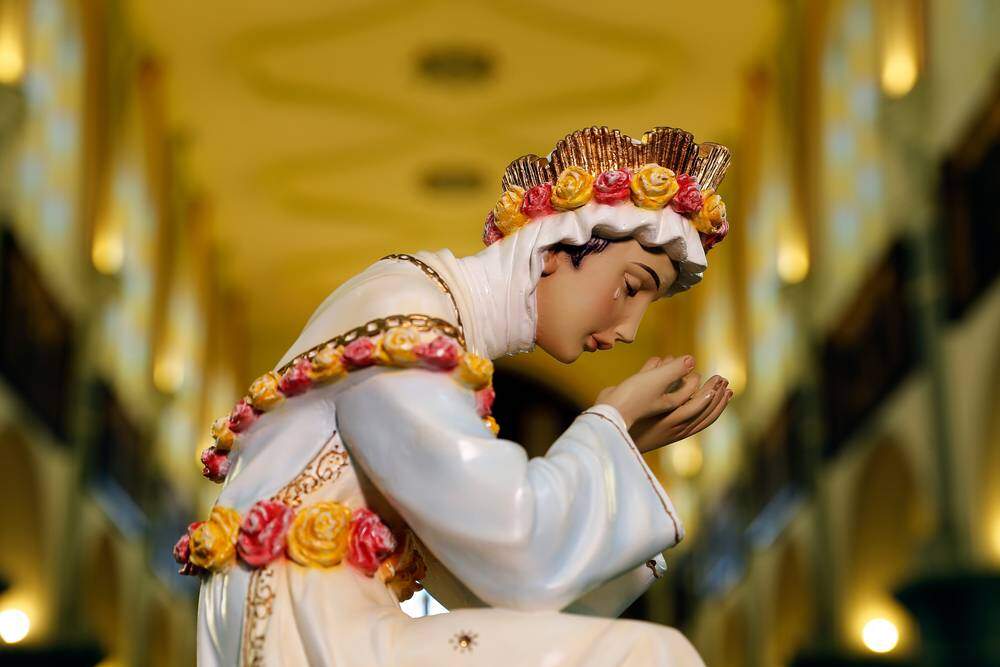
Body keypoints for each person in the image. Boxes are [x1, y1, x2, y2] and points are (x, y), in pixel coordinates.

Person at [177, 126, 733, 666]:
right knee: (650, 655)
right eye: (631, 286)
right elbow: (517, 553)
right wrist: (608, 426)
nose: (630, 330)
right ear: (558, 247)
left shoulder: (434, 323)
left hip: (320, 620)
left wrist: (621, 447)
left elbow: (504, 592)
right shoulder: (409, 316)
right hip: (310, 630)